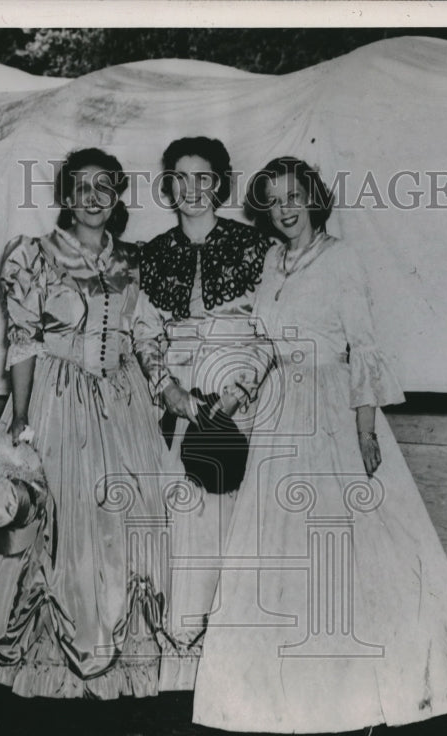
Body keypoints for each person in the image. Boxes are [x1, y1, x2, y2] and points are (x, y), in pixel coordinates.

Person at [192, 157, 447, 732]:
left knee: (349, 544)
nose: (284, 209)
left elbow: (364, 347)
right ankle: (278, 697)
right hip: (281, 417)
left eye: (293, 196)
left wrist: (363, 428)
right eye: (274, 199)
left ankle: (371, 688)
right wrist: (230, 400)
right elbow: (264, 347)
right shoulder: (272, 263)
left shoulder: (342, 258)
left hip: (332, 413)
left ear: (313, 198)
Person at [0, 147, 170, 699]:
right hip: (55, 399)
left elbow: (143, 334)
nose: (93, 198)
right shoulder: (32, 256)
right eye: (81, 187)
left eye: (104, 187)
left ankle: (117, 650)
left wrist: (166, 388)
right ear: (66, 197)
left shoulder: (129, 262)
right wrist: (21, 420)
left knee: (123, 520)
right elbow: (23, 341)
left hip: (123, 405)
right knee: (55, 522)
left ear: (117, 197)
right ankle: (40, 656)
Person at [133, 136, 272, 691]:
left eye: (203, 178)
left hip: (241, 400)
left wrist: (238, 392)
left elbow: (272, 327)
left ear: (221, 183)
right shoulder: (152, 252)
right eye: (180, 178)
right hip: (176, 398)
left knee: (239, 519)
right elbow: (144, 332)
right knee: (182, 515)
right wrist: (167, 388)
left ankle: (235, 659)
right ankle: (182, 659)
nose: (192, 190)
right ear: (169, 186)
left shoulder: (257, 247)